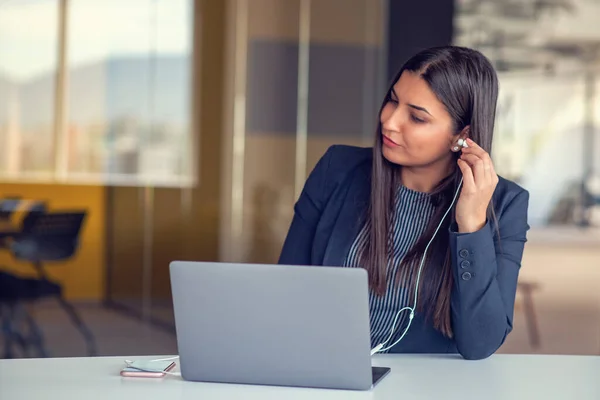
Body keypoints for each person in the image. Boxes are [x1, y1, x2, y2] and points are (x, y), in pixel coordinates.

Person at [278, 46, 530, 360]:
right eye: (393, 100)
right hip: (324, 370)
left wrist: (472, 226)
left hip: (424, 386)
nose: (389, 121)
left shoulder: (506, 203)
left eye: (416, 117)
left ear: (461, 136)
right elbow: (285, 290)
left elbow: (480, 343)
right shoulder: (337, 169)